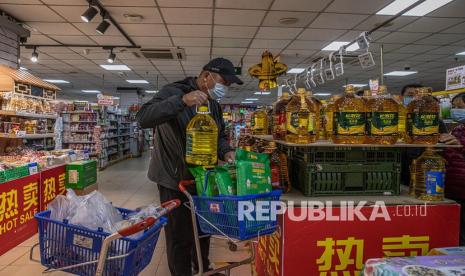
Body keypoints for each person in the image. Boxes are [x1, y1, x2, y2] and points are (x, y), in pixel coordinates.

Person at [136, 57, 242, 276]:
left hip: (202, 178)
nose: (225, 89)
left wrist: (226, 151)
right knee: (179, 235)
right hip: (174, 179)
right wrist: (182, 101)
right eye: (223, 83)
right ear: (206, 77)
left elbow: (219, 134)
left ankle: (201, 269)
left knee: (203, 229)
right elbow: (143, 118)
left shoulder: (213, 103)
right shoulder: (173, 92)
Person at [399, 84, 459, 186]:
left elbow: (443, 145)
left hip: (425, 171)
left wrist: (452, 143)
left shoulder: (436, 121)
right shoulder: (397, 120)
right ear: (402, 97)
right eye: (410, 95)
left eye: (419, 95)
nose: (415, 98)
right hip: (400, 171)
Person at [443, 92, 465, 245]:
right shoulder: (458, 129)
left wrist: (461, 145)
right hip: (453, 191)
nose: (456, 110)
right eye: (454, 107)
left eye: (460, 107)